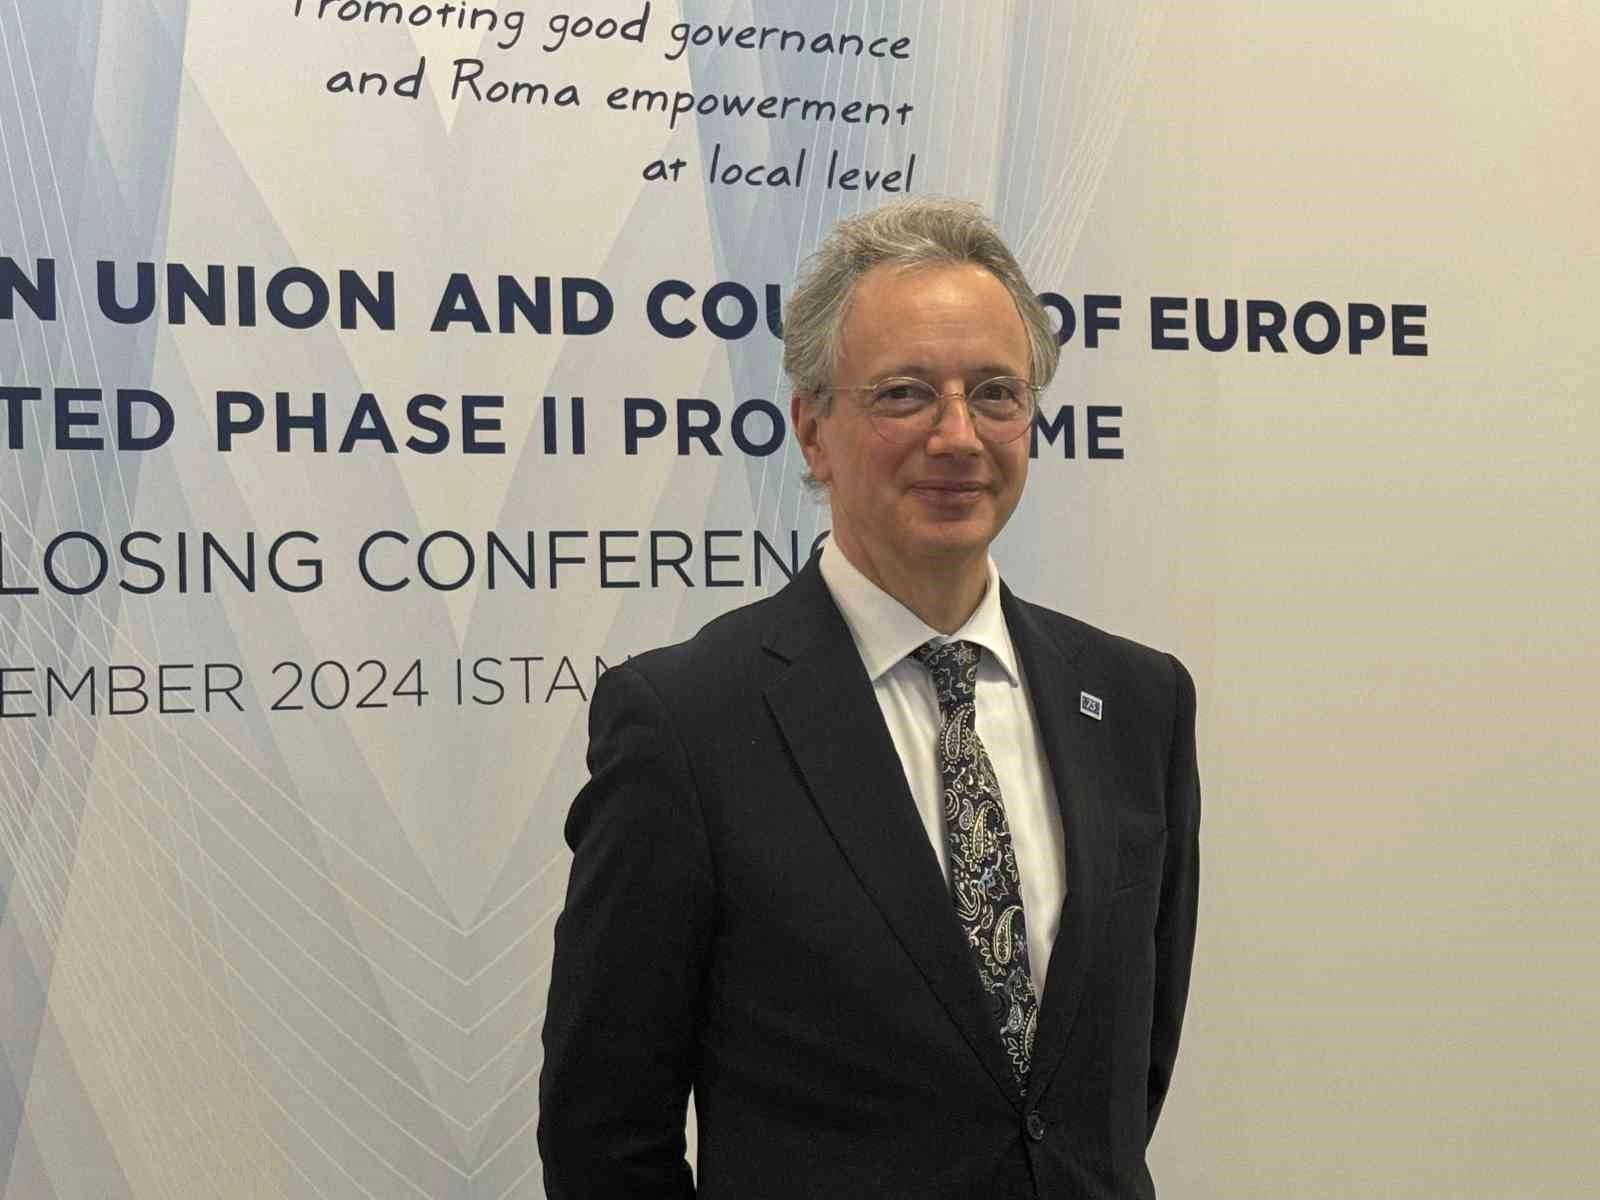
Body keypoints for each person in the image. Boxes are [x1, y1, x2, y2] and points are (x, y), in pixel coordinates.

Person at [538, 199, 1200, 1199]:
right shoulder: (687, 726)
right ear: (812, 431)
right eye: (904, 394)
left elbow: (1115, 1086)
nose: (958, 436)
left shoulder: (1137, 702)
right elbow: (604, 1137)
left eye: (995, 392)